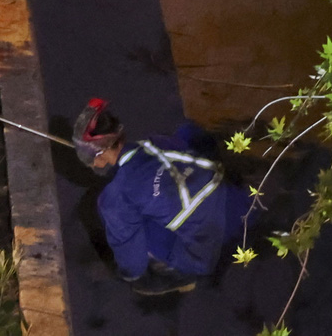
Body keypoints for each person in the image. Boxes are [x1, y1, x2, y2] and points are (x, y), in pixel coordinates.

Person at [74, 99, 255, 298]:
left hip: (206, 250)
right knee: (187, 133)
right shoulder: (157, 142)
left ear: (99, 155)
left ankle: (183, 276)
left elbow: (132, 261)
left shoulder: (115, 197)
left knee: (126, 226)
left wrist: (131, 276)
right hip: (234, 203)